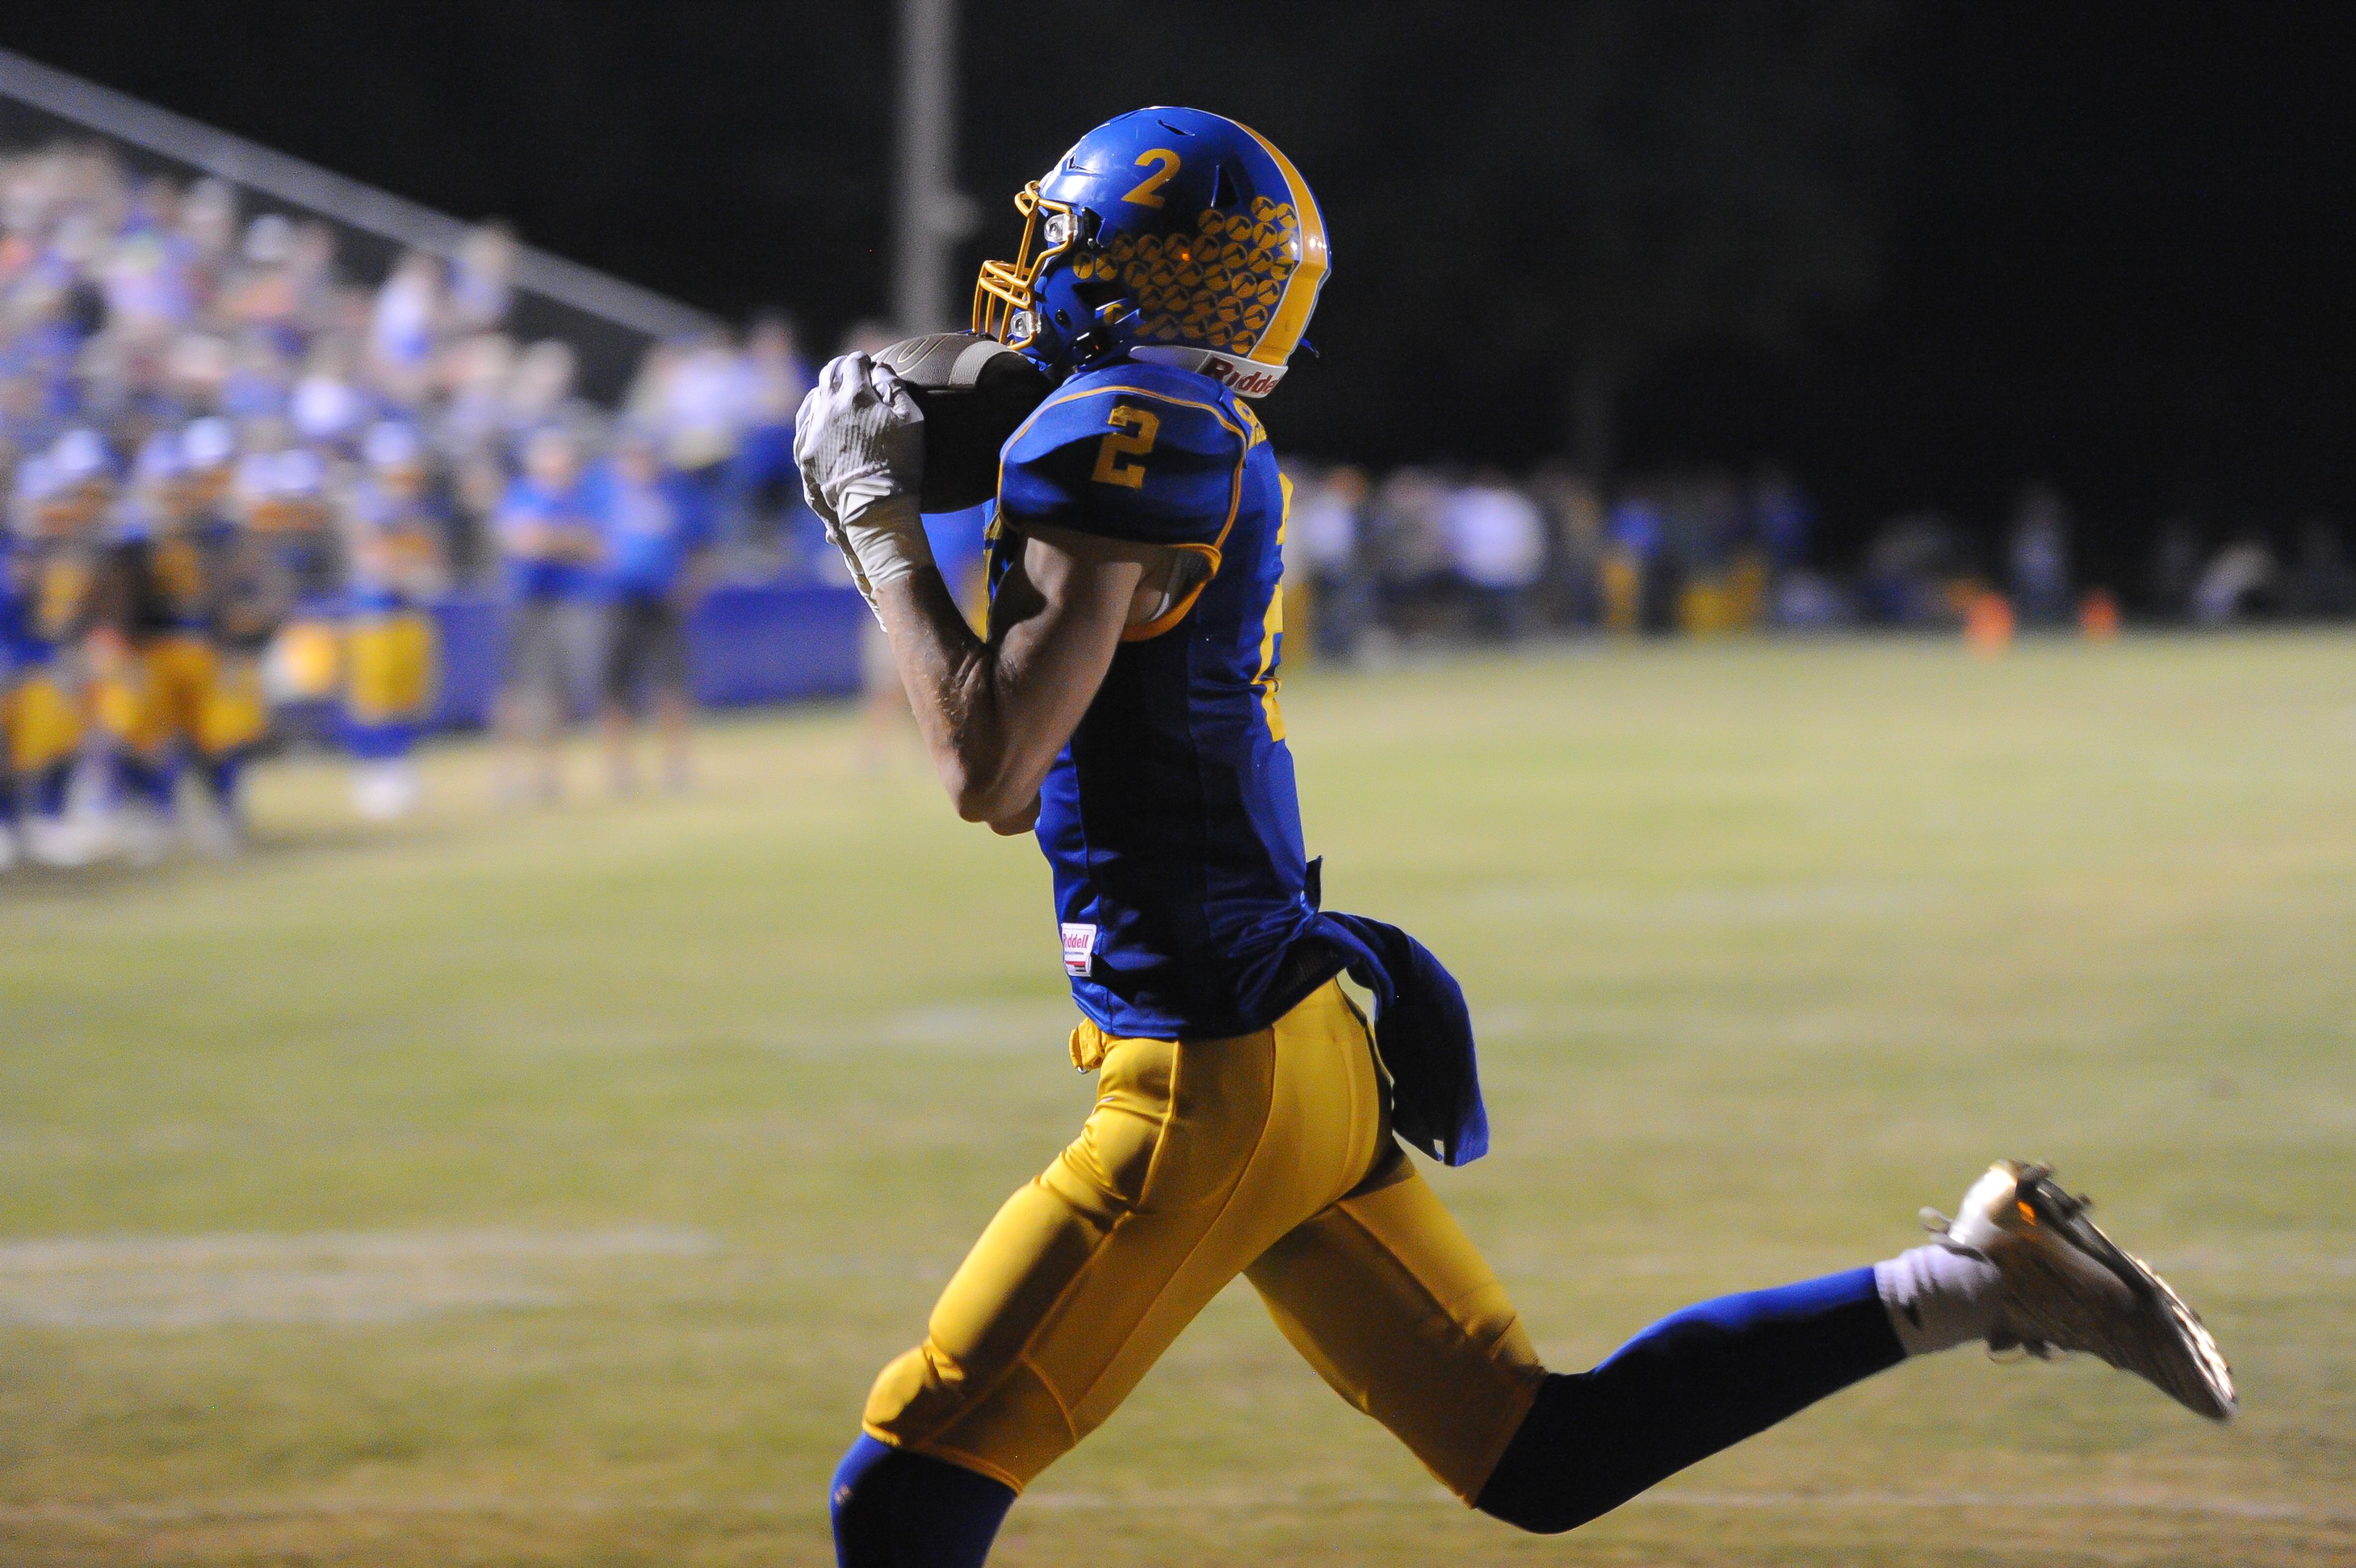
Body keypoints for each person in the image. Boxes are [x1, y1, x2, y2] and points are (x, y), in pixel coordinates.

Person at [796, 109, 2236, 1568]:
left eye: (1072, 242)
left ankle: (1981, 1278)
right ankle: (1975, 1278)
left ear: (1132, 271)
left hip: (1208, 1078)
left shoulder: (1125, 436)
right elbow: (1033, 622)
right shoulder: (1170, 423)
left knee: (902, 1494)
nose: (1038, 265)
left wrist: (870, 514)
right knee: (1539, 1453)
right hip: (1291, 1043)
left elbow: (990, 766)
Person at [491, 424, 603, 802]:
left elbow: (594, 547)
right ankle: (506, 774)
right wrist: (563, 540)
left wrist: (550, 540)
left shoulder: (578, 498)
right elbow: (522, 541)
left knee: (556, 694)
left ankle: (547, 777)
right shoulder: (524, 494)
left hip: (565, 604)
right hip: (527, 603)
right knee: (516, 693)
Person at [593, 426, 706, 794]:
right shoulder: (601, 493)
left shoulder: (674, 493)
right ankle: (620, 771)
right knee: (615, 689)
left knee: (670, 686)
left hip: (661, 602)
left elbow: (701, 545)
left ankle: (676, 767)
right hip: (615, 602)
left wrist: (690, 588)